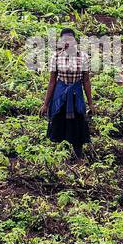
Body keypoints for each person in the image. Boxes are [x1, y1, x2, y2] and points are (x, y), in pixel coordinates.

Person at [40, 27, 92, 160]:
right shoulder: (56, 57)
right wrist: (45, 104)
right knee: (58, 124)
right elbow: (52, 81)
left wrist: (90, 104)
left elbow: (86, 81)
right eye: (64, 40)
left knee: (78, 125)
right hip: (60, 95)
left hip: (76, 95)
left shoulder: (83, 57)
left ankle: (78, 157)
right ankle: (57, 158)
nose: (67, 42)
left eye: (70, 39)